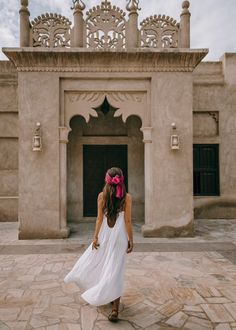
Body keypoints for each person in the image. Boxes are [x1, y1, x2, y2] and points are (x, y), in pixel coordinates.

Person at [64, 167, 133, 323]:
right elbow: (128, 221)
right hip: (120, 237)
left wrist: (95, 237)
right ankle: (115, 308)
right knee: (116, 270)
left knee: (104, 266)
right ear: (122, 179)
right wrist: (131, 239)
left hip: (105, 236)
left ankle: (108, 295)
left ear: (106, 180)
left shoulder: (101, 196)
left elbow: (99, 219)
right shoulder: (127, 197)